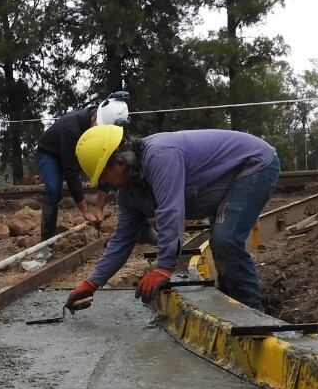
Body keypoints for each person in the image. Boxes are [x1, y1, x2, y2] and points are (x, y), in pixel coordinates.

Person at [64, 125, 280, 314]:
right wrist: (91, 282)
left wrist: (163, 268)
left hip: (254, 165)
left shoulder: (160, 156)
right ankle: (232, 306)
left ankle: (254, 315)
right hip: (224, 181)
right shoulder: (129, 193)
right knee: (220, 243)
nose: (104, 185)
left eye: (102, 176)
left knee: (226, 239)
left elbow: (171, 211)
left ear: (119, 163)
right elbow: (122, 240)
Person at [32, 94, 129, 254]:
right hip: (51, 153)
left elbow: (106, 167)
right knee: (53, 189)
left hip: (73, 151)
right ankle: (45, 246)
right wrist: (84, 211)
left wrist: (99, 207)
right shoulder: (71, 128)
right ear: (94, 118)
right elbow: (71, 172)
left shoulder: (110, 131)